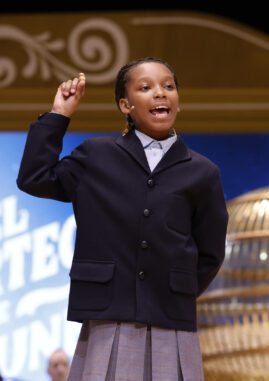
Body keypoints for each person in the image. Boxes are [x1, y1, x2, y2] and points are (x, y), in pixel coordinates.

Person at [16, 58, 228, 380]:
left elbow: (210, 251)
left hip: (170, 320)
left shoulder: (203, 172)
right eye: (146, 88)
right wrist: (59, 115)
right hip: (106, 318)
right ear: (125, 105)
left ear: (178, 103)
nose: (160, 93)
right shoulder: (95, 156)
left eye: (168, 87)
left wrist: (173, 290)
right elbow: (34, 177)